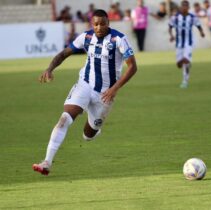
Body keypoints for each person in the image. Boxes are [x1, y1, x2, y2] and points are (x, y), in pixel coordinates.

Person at [32, 9, 137, 175]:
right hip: (85, 84)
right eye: (96, 24)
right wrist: (50, 68)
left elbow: (132, 67)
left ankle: (94, 129)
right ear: (91, 24)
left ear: (108, 23)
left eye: (103, 23)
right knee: (64, 119)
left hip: (105, 93)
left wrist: (114, 88)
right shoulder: (86, 37)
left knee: (88, 135)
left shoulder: (119, 39)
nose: (99, 27)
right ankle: (47, 162)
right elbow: (64, 53)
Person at [169, 0, 205, 88]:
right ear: (181, 7)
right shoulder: (176, 17)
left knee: (185, 61)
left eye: (186, 6)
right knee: (179, 65)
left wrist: (201, 32)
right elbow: (170, 26)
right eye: (183, 6)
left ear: (188, 7)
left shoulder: (192, 17)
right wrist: (171, 35)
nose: (184, 8)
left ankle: (185, 81)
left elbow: (198, 25)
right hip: (178, 44)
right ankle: (187, 62)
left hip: (188, 43)